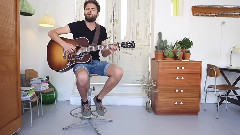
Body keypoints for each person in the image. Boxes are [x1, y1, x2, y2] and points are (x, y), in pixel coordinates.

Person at [48, 0, 123, 117]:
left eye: (93, 9)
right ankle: (84, 102)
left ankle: (98, 99)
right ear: (84, 11)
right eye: (87, 8)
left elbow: (104, 53)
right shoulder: (76, 25)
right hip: (80, 64)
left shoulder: (101, 30)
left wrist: (110, 50)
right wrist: (65, 45)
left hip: (96, 63)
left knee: (118, 72)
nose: (89, 11)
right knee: (82, 77)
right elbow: (52, 33)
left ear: (97, 13)